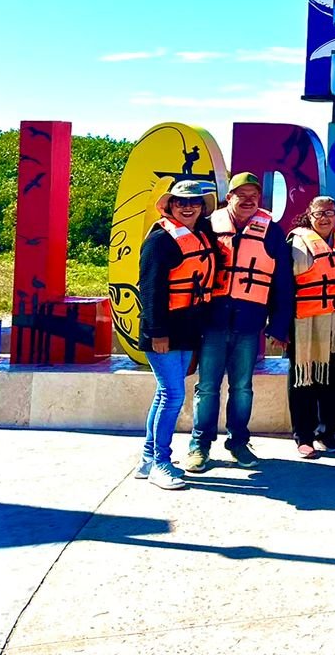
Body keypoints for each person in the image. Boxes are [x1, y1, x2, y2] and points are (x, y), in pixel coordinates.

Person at [184, 172, 293, 472]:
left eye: (253, 195)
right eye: (240, 194)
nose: (247, 200)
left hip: (249, 323)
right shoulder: (207, 227)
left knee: (242, 387)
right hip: (212, 322)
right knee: (206, 387)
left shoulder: (271, 231)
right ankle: (199, 445)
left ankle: (239, 443)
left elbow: (282, 283)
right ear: (228, 197)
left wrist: (279, 326)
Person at [136, 178, 219, 490]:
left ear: (202, 207)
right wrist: (158, 332)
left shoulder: (200, 235)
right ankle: (160, 462)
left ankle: (147, 459)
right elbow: (151, 289)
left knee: (164, 393)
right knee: (173, 396)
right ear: (170, 205)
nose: (188, 206)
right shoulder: (160, 240)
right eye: (181, 202)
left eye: (194, 202)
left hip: (187, 328)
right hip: (164, 331)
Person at [286, 194, 335, 458]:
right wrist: (280, 326)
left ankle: (326, 433)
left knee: (332, 380)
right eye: (319, 213)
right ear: (309, 215)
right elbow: (283, 286)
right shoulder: (296, 243)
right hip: (304, 322)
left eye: (330, 212)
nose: (325, 217)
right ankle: (303, 437)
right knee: (303, 379)